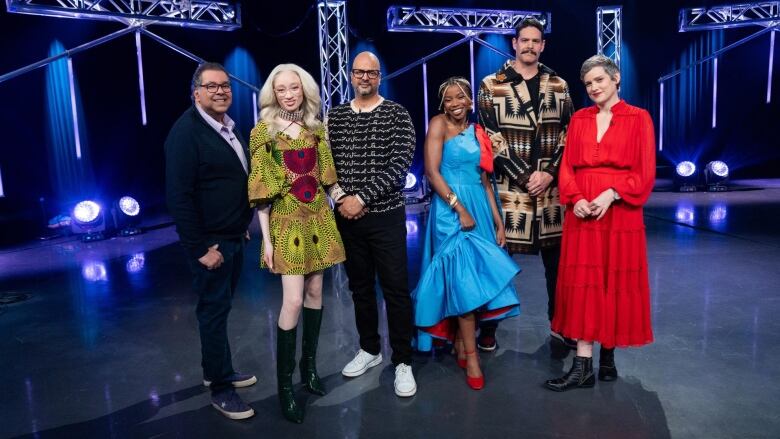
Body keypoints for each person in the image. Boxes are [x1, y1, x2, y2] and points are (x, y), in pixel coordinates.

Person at [544, 55, 655, 391]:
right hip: (583, 213)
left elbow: (645, 172)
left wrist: (613, 193)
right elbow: (566, 169)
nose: (593, 88)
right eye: (588, 83)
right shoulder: (579, 119)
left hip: (620, 212)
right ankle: (583, 365)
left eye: (599, 81)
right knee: (584, 282)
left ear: (616, 78)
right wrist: (575, 198)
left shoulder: (639, 118)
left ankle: (608, 354)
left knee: (614, 280)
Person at [248, 64, 346, 423]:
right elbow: (260, 193)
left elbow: (328, 178)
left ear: (304, 90)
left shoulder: (317, 129)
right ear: (272, 94)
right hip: (285, 220)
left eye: (294, 88)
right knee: (291, 299)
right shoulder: (264, 133)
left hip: (318, 216)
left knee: (316, 293)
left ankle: (310, 370)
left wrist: (350, 201)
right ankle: (286, 388)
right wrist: (268, 240)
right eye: (281, 89)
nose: (288, 94)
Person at [412, 77, 521, 390]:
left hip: (480, 211)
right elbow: (432, 172)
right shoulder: (438, 125)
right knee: (461, 283)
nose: (456, 103)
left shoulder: (478, 132)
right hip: (451, 211)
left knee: (477, 282)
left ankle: (463, 344)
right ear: (442, 104)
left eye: (461, 97)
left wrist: (499, 222)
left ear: (471, 101)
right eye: (449, 99)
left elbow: (485, 182)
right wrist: (459, 208)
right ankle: (471, 357)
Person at [164, 62, 256, 420]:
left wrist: (239, 224)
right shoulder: (186, 133)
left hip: (231, 235)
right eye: (212, 86)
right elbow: (179, 197)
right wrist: (200, 248)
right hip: (211, 245)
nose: (221, 91)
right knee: (214, 313)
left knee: (220, 309)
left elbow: (228, 183)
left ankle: (215, 370)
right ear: (196, 93)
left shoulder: (228, 128)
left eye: (225, 86)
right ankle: (220, 389)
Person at [477, 18, 575, 351]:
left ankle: (560, 326)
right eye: (525, 40)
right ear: (514, 44)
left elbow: (568, 133)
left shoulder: (558, 84)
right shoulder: (492, 84)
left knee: (556, 267)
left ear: (542, 45)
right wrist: (523, 176)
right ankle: (488, 329)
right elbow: (491, 137)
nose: (530, 46)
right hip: (508, 191)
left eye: (536, 41)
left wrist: (549, 173)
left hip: (550, 191)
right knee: (497, 264)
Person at [326, 51, 417, 397]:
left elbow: (399, 165)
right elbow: (325, 166)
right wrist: (339, 197)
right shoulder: (334, 118)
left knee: (395, 289)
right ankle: (370, 350)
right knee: (359, 288)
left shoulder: (397, 114)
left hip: (385, 217)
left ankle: (403, 361)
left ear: (380, 77)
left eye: (372, 73)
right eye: (359, 72)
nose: (365, 77)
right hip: (347, 219)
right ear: (350, 75)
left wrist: (360, 198)